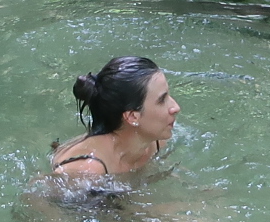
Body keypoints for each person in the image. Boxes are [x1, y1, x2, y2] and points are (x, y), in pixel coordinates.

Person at [49, 56, 179, 181]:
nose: (175, 107)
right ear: (132, 116)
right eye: (162, 100)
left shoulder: (156, 141)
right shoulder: (86, 170)